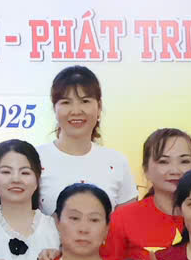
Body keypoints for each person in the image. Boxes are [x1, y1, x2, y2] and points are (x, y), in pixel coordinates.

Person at [36, 66, 136, 213]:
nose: (76, 111)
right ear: (54, 108)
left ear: (99, 107)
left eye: (85, 101)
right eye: (66, 102)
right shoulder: (35, 159)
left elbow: (126, 223)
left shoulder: (117, 162)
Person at [107, 129, 191, 260]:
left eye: (184, 161)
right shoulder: (122, 219)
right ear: (146, 170)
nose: (175, 170)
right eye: (163, 162)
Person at [0, 138, 58, 260]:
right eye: (6, 172)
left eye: (25, 172)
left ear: (37, 180)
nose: (16, 179)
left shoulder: (56, 230)